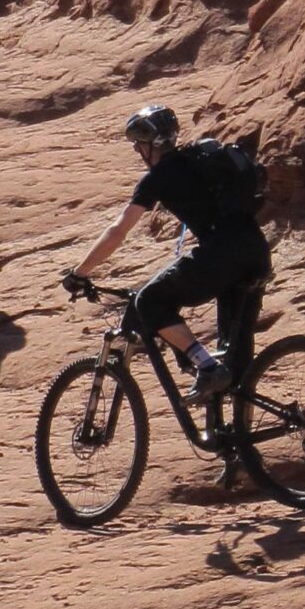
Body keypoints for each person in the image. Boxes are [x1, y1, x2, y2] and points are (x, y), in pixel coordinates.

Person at [62, 103, 270, 399]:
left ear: (152, 144)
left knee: (148, 301)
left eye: (139, 145)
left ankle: (205, 366)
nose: (138, 152)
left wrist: (80, 273)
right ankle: (237, 440)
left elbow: (118, 231)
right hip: (254, 250)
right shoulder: (195, 161)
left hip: (222, 254)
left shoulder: (159, 176)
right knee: (235, 358)